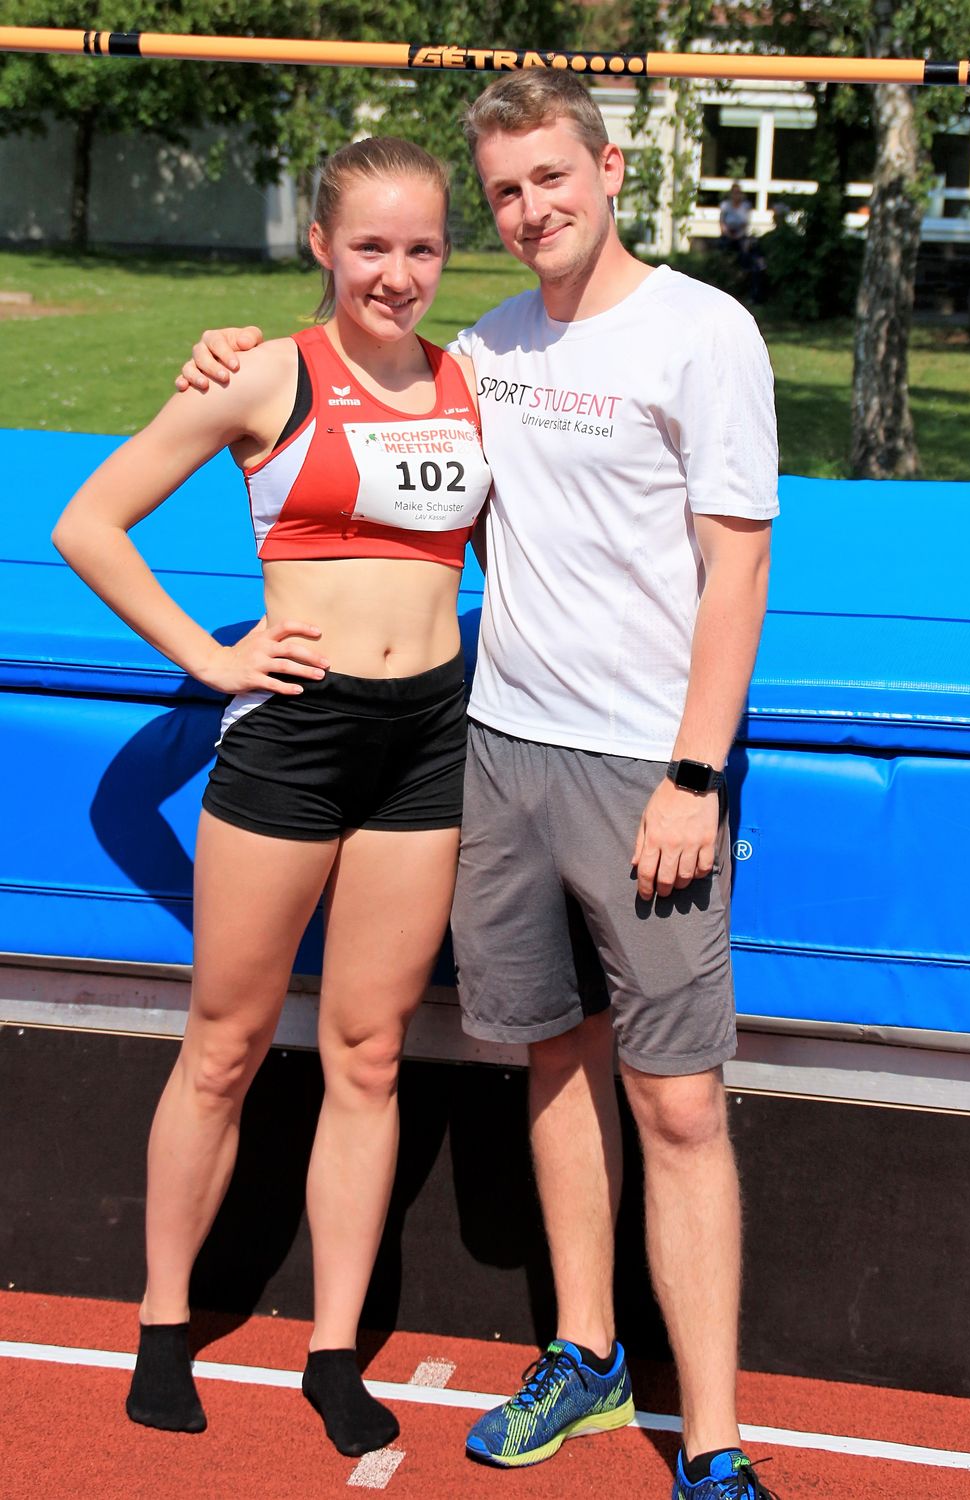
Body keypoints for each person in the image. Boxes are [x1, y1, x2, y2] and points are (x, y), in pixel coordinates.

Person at [182, 71, 781, 1500]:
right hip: (496, 752)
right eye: (504, 191)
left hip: (646, 768)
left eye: (550, 178)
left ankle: (712, 1444)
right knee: (554, 1061)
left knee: (678, 1105)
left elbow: (739, 564)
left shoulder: (705, 331)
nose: (530, 210)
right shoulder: (484, 350)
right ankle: (587, 1355)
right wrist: (228, 352)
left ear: (610, 169)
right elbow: (350, 363)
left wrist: (694, 772)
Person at [52, 136, 491, 1460]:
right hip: (295, 736)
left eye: (423, 248)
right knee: (227, 1044)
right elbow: (88, 524)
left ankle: (335, 1349)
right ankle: (164, 1322)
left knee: (369, 1052)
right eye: (372, 247)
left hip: (428, 738)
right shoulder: (264, 375)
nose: (398, 275)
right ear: (321, 244)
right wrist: (211, 658)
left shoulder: (472, 381)